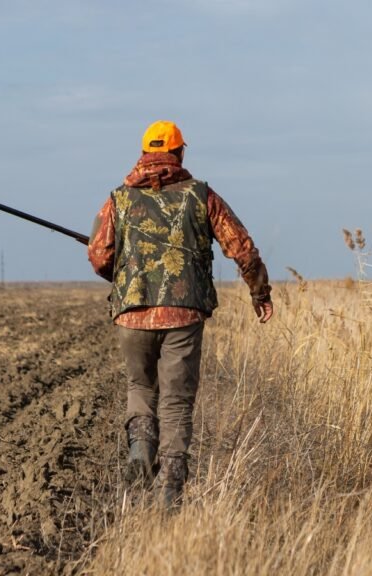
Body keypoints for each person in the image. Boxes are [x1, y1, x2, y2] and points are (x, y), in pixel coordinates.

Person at [87, 120, 274, 507]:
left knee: (140, 387)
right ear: (179, 153)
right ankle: (169, 487)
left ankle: (140, 449)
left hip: (132, 314)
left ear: (143, 154)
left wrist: (123, 277)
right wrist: (260, 291)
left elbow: (98, 254)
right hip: (183, 314)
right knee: (175, 400)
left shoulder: (118, 199)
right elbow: (240, 246)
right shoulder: (201, 196)